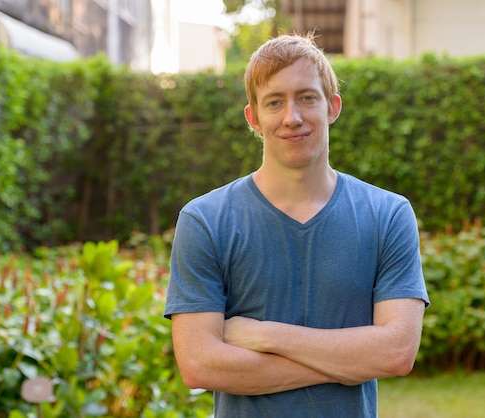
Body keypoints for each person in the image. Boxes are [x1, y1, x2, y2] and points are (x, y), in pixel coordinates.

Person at [163, 32, 429, 417]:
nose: (292, 117)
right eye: (275, 102)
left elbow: (396, 353)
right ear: (253, 118)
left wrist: (265, 335)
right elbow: (199, 364)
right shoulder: (205, 221)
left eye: (307, 97)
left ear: (332, 107)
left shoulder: (387, 215)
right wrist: (347, 361)